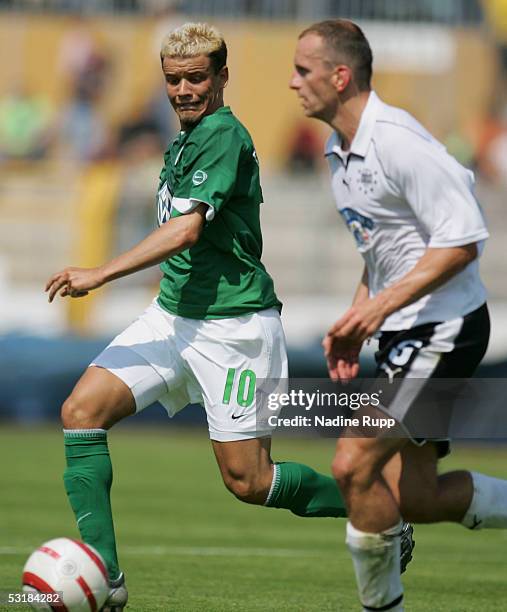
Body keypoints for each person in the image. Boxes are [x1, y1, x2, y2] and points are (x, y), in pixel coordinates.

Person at [46, 22, 388, 612]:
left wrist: (100, 273)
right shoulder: (184, 138)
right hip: (172, 316)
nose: (183, 89)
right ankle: (106, 580)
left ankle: (380, 512)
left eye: (196, 78)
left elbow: (186, 228)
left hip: (234, 328)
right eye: (173, 79)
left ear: (222, 77)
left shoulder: (223, 136)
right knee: (81, 411)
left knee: (249, 483)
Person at [290, 19, 507, 612]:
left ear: (340, 76)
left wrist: (379, 309)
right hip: (403, 331)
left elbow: (462, 241)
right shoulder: (341, 154)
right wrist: (358, 318)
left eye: (302, 70)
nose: (292, 83)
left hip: (444, 327)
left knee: (352, 460)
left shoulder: (397, 140)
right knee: (415, 497)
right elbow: (384, 254)